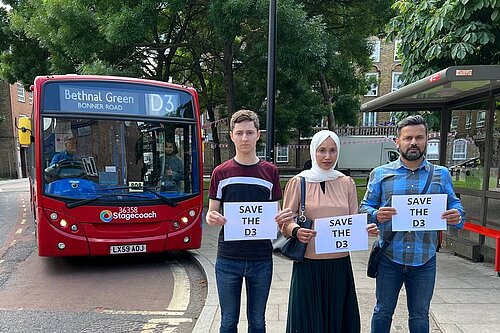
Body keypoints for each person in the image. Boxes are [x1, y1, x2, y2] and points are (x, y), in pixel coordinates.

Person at [359, 115, 465, 333]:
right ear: (397, 141)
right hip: (390, 257)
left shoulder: (441, 174)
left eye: (419, 137)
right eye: (408, 138)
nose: (413, 142)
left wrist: (458, 214)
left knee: (419, 316)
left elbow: (454, 203)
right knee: (382, 311)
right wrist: (376, 214)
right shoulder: (380, 174)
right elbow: (364, 208)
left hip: (424, 258)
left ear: (427, 139)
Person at [279, 130, 378, 333]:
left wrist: (364, 229)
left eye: (332, 150)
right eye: (322, 150)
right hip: (309, 264)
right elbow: (284, 222)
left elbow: (353, 221)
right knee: (309, 321)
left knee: (337, 320)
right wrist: (296, 231)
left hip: (339, 264)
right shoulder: (299, 182)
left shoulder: (346, 183)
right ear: (313, 152)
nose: (327, 156)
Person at [206, 109, 293, 333]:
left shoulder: (270, 172)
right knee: (228, 321)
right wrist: (211, 217)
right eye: (240, 133)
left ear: (258, 135)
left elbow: (276, 212)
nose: (244, 138)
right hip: (228, 258)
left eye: (249, 132)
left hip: (261, 258)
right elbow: (211, 211)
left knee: (257, 321)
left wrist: (283, 218)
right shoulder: (220, 173)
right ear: (232, 136)